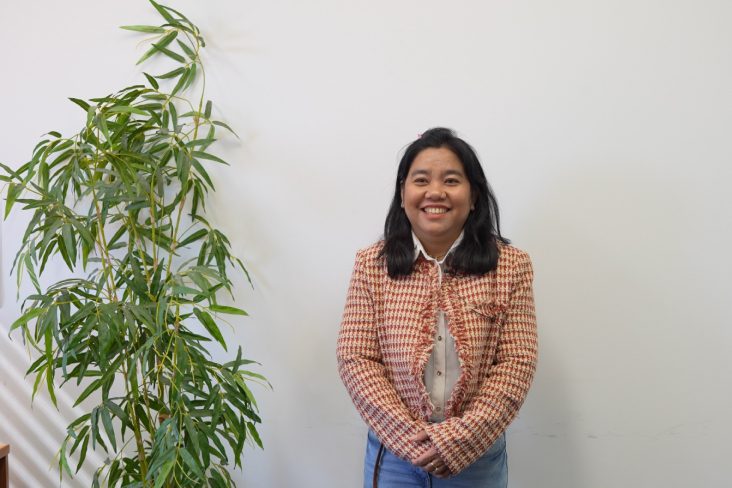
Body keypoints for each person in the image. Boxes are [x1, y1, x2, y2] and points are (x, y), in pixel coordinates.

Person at [337, 128, 538, 487]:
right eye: (421, 180)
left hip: (477, 454)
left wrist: (459, 439)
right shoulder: (372, 264)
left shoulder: (510, 265)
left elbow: (516, 362)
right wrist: (408, 439)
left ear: (473, 195)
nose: (435, 192)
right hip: (395, 453)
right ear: (403, 194)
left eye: (451, 180)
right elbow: (357, 358)